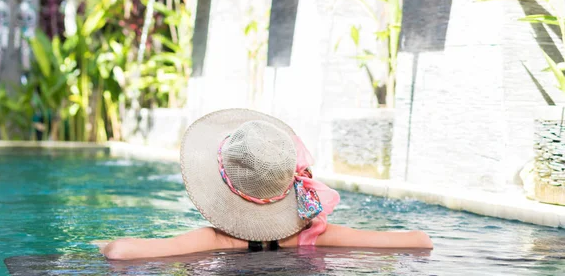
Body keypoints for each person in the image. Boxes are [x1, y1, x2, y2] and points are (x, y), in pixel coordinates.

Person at [98, 109, 433, 260]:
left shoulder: (219, 240)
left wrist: (102, 243)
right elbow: (420, 242)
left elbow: (120, 252)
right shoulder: (316, 237)